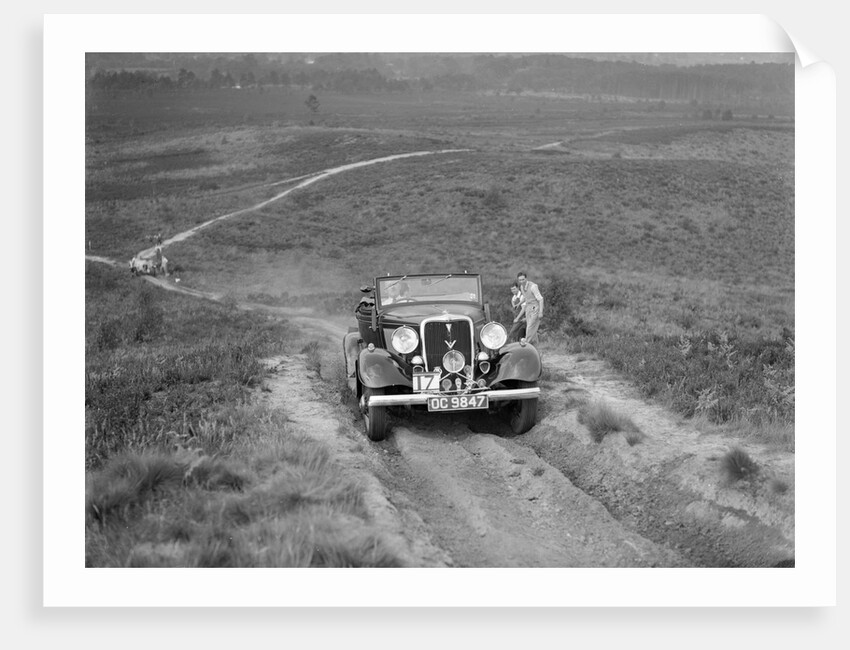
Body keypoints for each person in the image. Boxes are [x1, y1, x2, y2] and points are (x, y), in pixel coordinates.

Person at [516, 271, 544, 345]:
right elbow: (526, 297)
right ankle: (536, 346)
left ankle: (525, 344)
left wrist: (540, 312)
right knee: (532, 329)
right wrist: (519, 304)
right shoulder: (522, 287)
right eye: (520, 280)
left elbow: (540, 299)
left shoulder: (533, 286)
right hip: (528, 308)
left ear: (526, 278)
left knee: (530, 327)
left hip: (535, 308)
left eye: (523, 279)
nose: (522, 281)